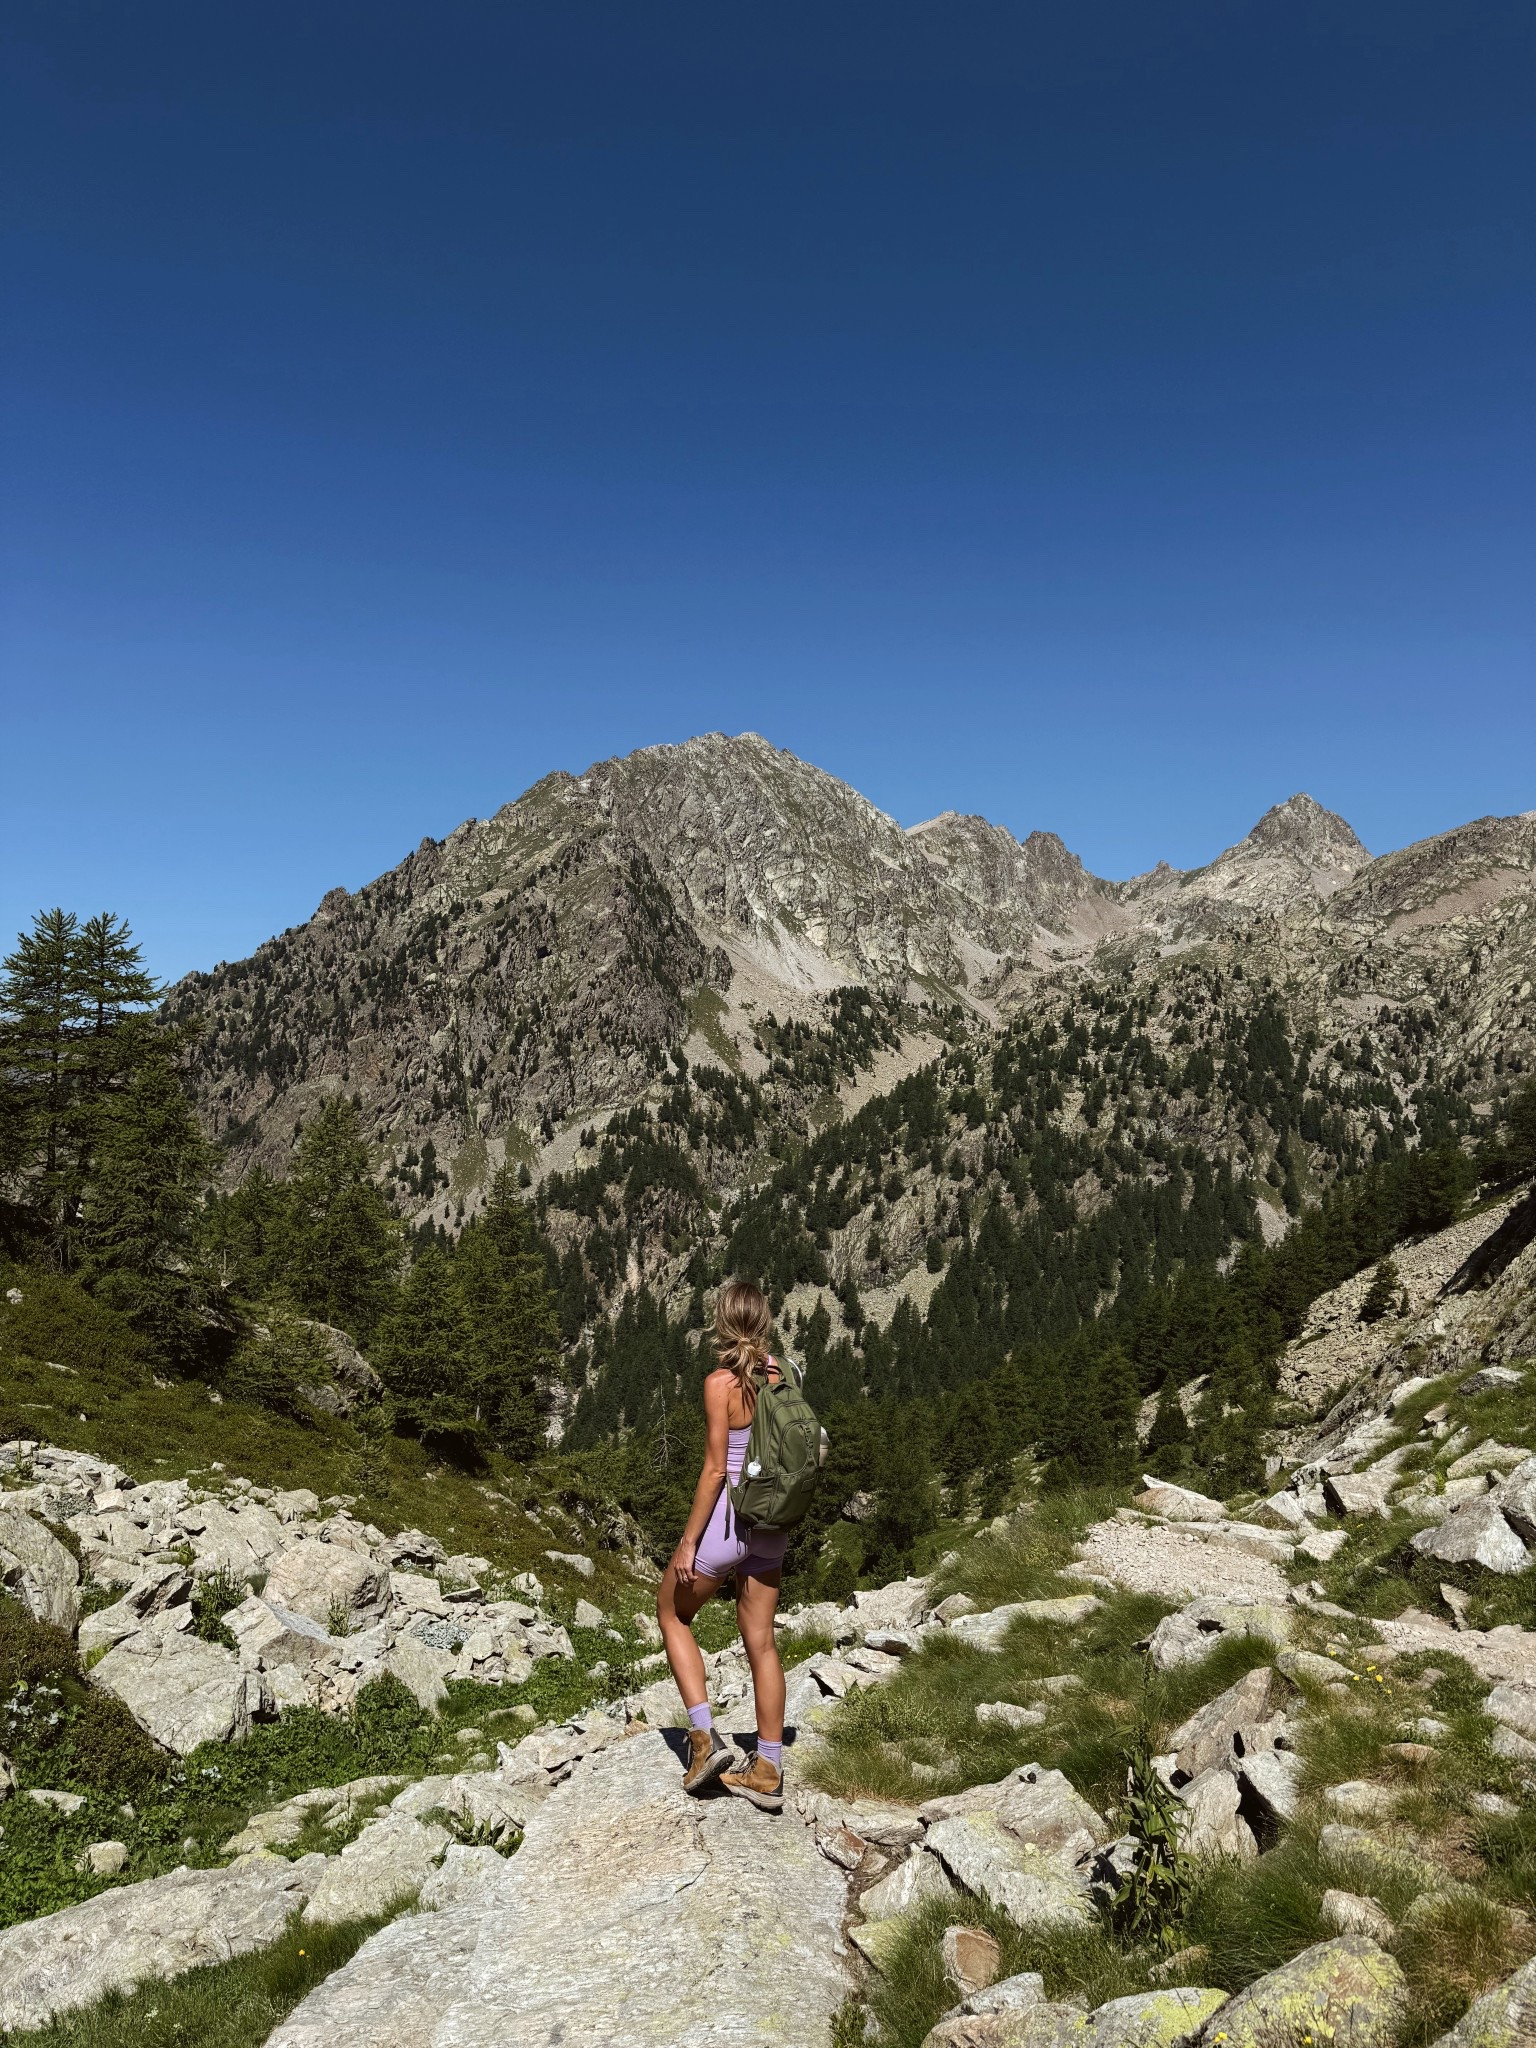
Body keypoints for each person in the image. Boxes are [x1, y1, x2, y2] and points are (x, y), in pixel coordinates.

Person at [655, 1278, 788, 1811]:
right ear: (764, 1321)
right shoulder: (782, 1373)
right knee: (761, 1641)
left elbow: (715, 1471)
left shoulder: (720, 1384)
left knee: (671, 1613)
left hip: (730, 1522)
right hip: (773, 1523)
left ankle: (704, 1739)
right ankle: (769, 1767)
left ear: (722, 1321)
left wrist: (689, 1542)